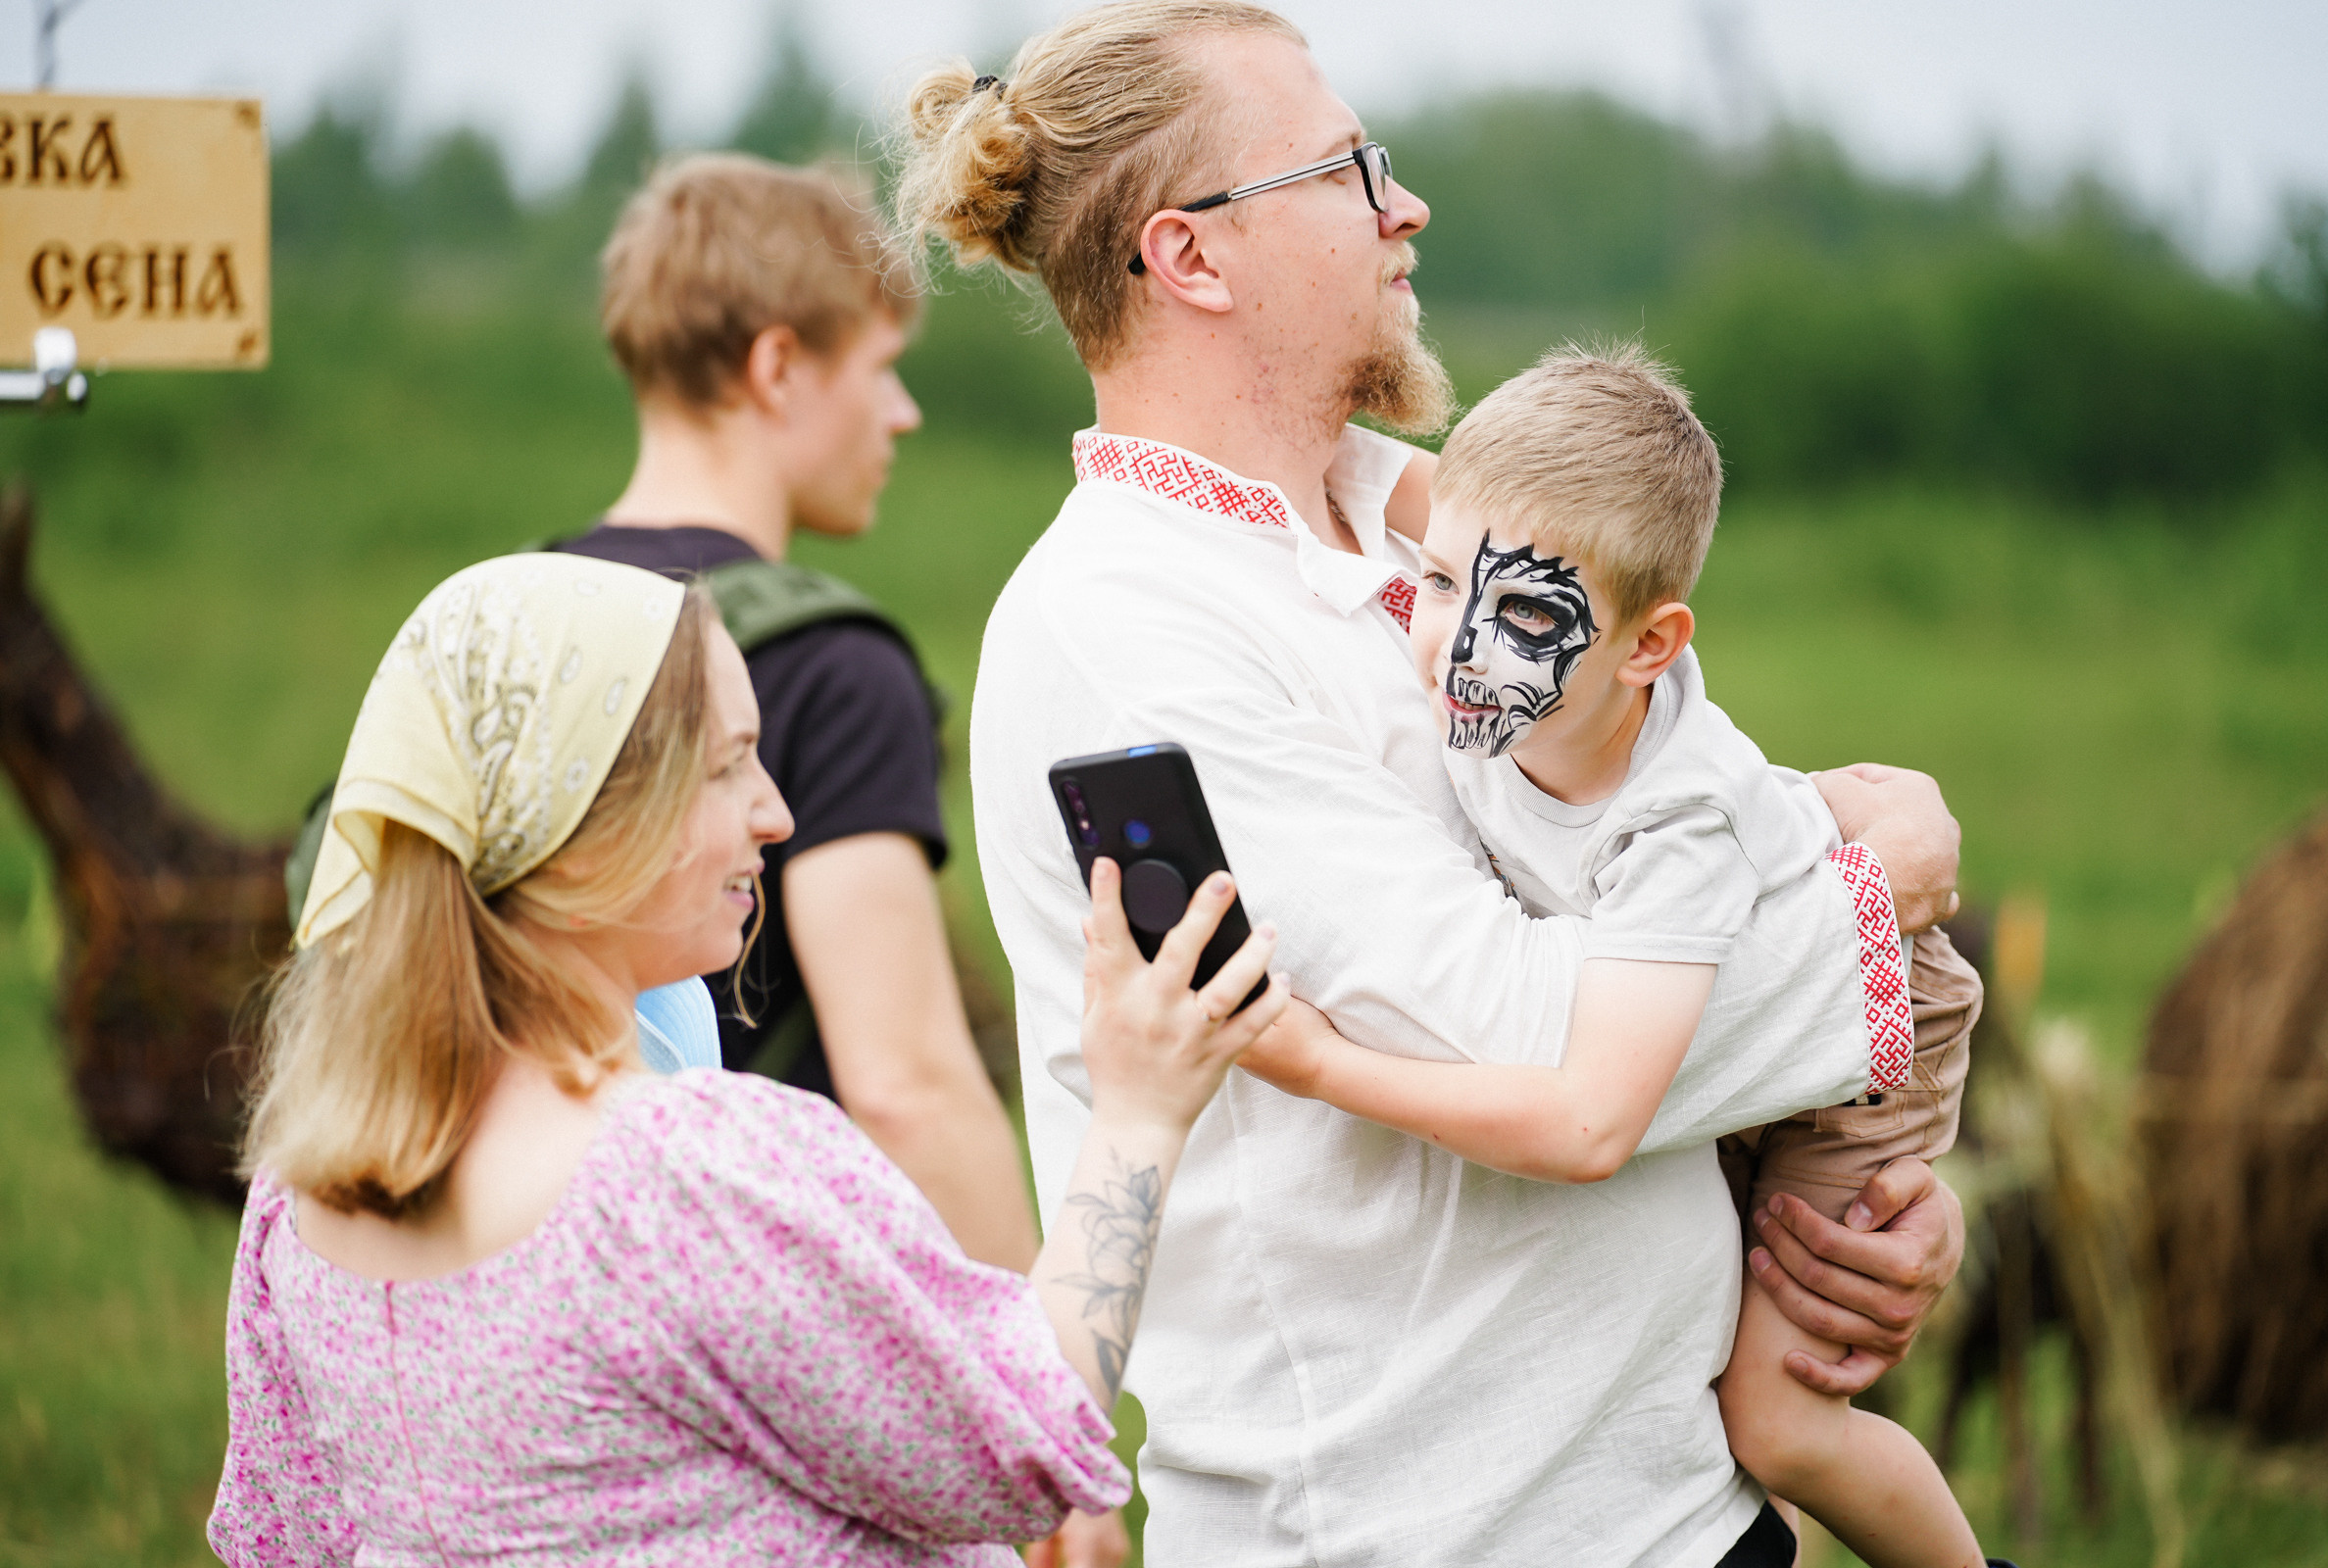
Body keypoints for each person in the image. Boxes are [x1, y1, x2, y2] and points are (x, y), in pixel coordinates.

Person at [896, 6, 1973, 1564]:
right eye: (1346, 169)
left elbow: (1661, 863)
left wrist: (1849, 1179)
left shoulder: (1440, 523)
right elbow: (1532, 1038)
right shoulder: (1121, 631)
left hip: (1675, 1504)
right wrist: (1879, 910)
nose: (1405, 207)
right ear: (1192, 258)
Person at [209, 553, 1289, 1562]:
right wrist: (1138, 1115)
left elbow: (278, 1537)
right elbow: (1027, 1442)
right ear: (586, 826)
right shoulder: (684, 1180)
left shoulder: (299, 1198)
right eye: (729, 767)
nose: (775, 813)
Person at [1236, 346, 1989, 1568]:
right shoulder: (1507, 658)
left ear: (1650, 646)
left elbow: (1591, 1127)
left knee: (1778, 1417)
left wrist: (1317, 1063)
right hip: (1685, 979)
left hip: (1858, 1030)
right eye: (1435, 584)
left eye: (1524, 617)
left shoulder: (1674, 826)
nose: (1455, 650)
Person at [557, 153, 1041, 1278]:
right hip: (744, 1291)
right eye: (879, 370)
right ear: (778, 367)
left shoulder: (527, 607)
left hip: (545, 1272)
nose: (903, 413)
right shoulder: (832, 664)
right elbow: (905, 1080)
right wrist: (1038, 1391)